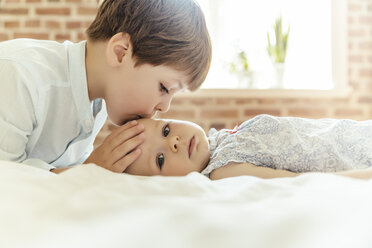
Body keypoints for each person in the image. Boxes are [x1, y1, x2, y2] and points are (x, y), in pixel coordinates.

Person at [0, 0, 211, 174]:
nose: (164, 108)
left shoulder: (98, 102)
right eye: (165, 88)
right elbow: (9, 180)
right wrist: (89, 171)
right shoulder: (19, 75)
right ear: (120, 52)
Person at [124, 115, 372, 180]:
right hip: (348, 155)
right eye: (160, 159)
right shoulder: (224, 169)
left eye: (166, 130)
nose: (173, 142)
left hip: (345, 131)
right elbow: (297, 180)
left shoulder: (217, 140)